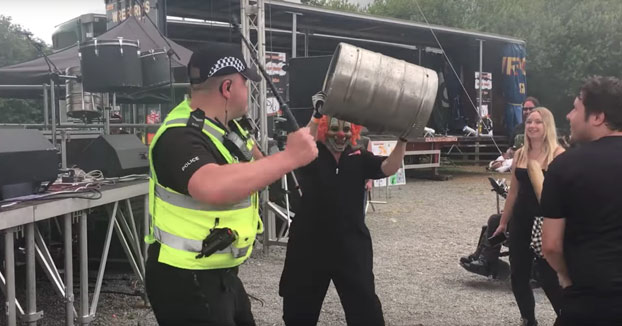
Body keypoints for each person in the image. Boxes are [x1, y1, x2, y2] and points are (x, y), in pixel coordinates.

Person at [144, 43, 318, 326]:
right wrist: (290, 157)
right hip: (184, 278)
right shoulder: (178, 136)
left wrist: (308, 134)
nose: (248, 89)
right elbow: (211, 186)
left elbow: (260, 165)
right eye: (245, 82)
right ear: (227, 87)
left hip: (221, 272)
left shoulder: (227, 127)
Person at [278, 92, 407, 326]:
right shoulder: (311, 153)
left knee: (365, 309)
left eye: (347, 131)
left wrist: (403, 140)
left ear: (354, 133)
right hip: (309, 245)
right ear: (325, 129)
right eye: (335, 129)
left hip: (351, 245)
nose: (341, 134)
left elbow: (388, 167)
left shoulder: (359, 156)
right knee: (299, 310)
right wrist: (317, 114)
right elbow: (300, 144)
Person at [541, 76, 622, 326]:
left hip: (589, 303)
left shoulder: (564, 167)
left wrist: (566, 277)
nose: (568, 116)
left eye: (576, 108)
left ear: (597, 117)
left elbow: (551, 245)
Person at [491, 107, 565, 326]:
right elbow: (513, 191)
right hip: (521, 220)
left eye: (538, 122)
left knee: (548, 276)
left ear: (547, 126)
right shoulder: (521, 153)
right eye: (529, 122)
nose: (532, 126)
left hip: (545, 221)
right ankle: (528, 318)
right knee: (518, 273)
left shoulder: (558, 154)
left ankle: (566, 316)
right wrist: (503, 222)